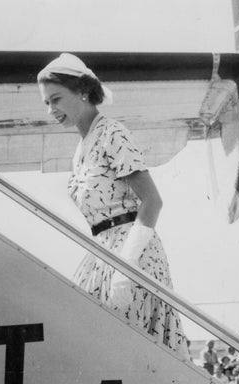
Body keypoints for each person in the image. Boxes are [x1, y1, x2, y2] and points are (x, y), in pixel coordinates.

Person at [37, 53, 188, 358]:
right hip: (102, 253)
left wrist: (126, 267)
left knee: (129, 354)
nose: (51, 110)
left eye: (56, 99)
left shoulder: (112, 134)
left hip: (132, 255)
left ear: (82, 91)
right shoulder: (82, 146)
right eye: (46, 103)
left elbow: (152, 201)